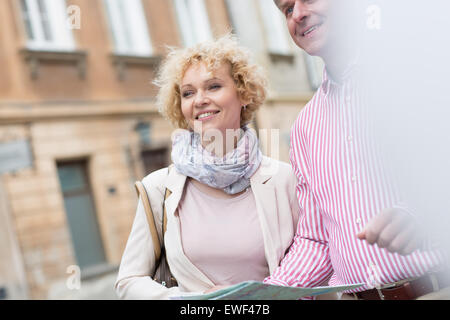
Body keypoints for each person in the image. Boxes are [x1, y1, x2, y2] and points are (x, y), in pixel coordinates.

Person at [264, 0, 448, 300]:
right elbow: (317, 241)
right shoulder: (305, 128)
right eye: (287, 9)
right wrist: (262, 296)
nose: (297, 14)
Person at [114, 35, 300, 299]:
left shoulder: (284, 180)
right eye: (188, 92)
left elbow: (313, 267)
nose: (199, 100)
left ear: (244, 93)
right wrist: (190, 301)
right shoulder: (158, 188)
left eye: (213, 86)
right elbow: (128, 281)